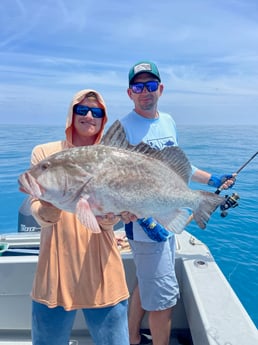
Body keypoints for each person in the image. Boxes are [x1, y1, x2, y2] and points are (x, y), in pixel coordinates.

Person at [118, 61, 235, 345]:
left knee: (148, 284)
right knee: (163, 300)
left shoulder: (167, 121)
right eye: (138, 86)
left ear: (161, 89)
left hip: (168, 215)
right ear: (129, 92)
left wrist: (212, 180)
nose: (145, 92)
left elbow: (181, 167)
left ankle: (133, 338)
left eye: (150, 85)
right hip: (146, 226)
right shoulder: (123, 127)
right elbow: (117, 178)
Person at [25, 89, 130, 345]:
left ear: (104, 118)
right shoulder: (46, 153)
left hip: (103, 270)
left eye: (97, 111)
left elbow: (108, 222)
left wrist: (114, 215)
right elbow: (38, 212)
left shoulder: (114, 158)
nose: (89, 116)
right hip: (54, 271)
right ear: (71, 114)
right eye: (82, 109)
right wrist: (50, 204)